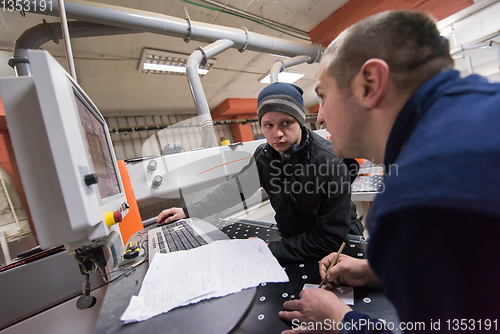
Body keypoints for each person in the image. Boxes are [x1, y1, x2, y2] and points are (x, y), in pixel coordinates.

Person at [279, 10, 500, 333]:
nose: (321, 118)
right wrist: (377, 269)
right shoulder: (480, 110)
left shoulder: (416, 200)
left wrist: (342, 320)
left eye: (323, 96)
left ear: (370, 83)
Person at [157, 82, 363, 264]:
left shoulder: (330, 161)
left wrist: (269, 249)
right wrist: (188, 211)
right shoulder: (265, 156)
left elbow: (329, 239)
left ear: (299, 121)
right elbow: (235, 189)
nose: (277, 134)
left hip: (338, 249)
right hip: (293, 242)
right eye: (269, 125)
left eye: (286, 123)